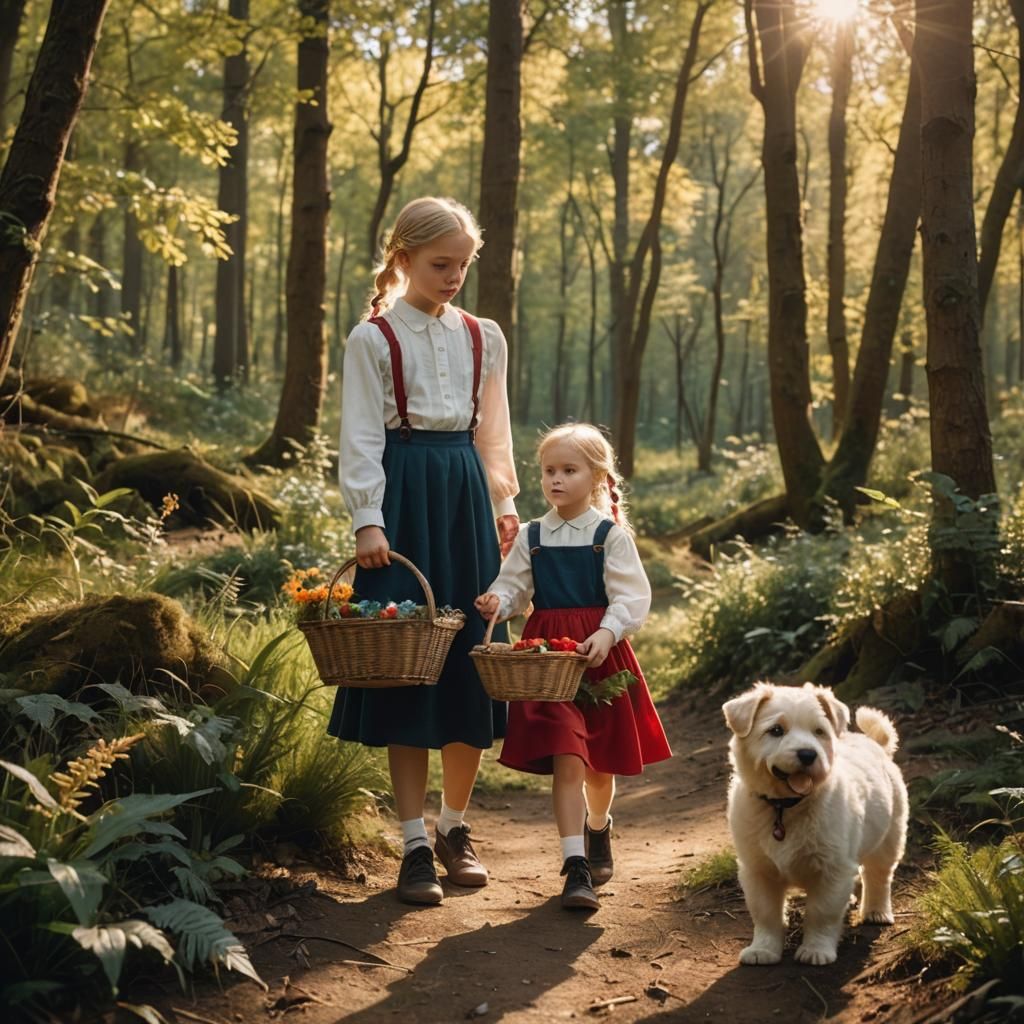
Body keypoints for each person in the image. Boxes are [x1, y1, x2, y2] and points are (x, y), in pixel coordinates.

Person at [332, 196, 519, 905]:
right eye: (441, 264)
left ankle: (455, 828)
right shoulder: (373, 338)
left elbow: (492, 432)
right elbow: (361, 438)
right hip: (404, 499)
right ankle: (412, 843)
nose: (453, 277)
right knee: (405, 668)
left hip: (467, 496)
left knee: (470, 658)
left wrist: (505, 505)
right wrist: (367, 520)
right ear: (403, 257)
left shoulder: (483, 336)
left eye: (462, 266)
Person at [475, 423, 671, 911]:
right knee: (568, 756)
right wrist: (497, 600)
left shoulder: (610, 536)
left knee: (598, 768)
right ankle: (575, 866)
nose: (555, 480)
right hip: (549, 659)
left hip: (596, 655)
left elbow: (630, 597)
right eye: (548, 471)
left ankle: (598, 826)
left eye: (568, 470)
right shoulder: (533, 535)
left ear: (598, 476)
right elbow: (515, 585)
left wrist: (607, 631)